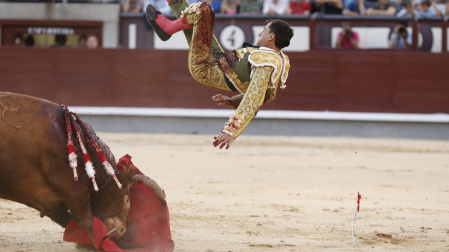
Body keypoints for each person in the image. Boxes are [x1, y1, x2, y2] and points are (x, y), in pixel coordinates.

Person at [145, 1, 293, 149]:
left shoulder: (267, 62)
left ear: (271, 36)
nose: (260, 33)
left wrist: (230, 131)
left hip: (204, 66)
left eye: (264, 30)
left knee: (203, 10)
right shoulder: (277, 59)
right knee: (190, 11)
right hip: (216, 58)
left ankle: (168, 28)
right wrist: (234, 101)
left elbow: (254, 99)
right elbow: (268, 95)